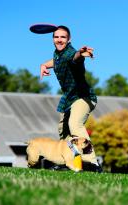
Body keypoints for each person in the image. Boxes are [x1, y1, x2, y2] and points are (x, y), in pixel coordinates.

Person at [40, 25, 102, 172]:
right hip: (69, 98)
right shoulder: (57, 54)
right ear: (53, 39)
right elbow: (56, 61)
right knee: (63, 129)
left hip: (84, 97)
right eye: (56, 37)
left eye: (63, 37)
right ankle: (66, 161)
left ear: (69, 40)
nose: (59, 40)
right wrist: (43, 65)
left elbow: (75, 59)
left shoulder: (71, 53)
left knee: (75, 124)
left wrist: (81, 53)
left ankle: (93, 164)